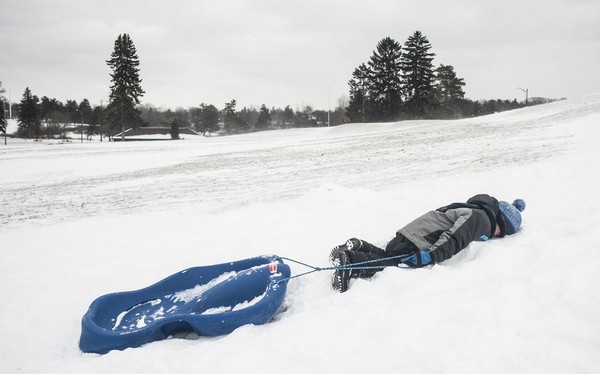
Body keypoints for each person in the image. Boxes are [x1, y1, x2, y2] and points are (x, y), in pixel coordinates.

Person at [330, 194, 526, 292]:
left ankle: (359, 246)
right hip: (418, 241)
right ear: (500, 223)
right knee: (393, 265)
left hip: (410, 234)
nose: (496, 236)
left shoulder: (472, 209)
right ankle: (350, 262)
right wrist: (429, 256)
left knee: (389, 255)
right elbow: (453, 238)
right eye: (502, 233)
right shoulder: (481, 220)